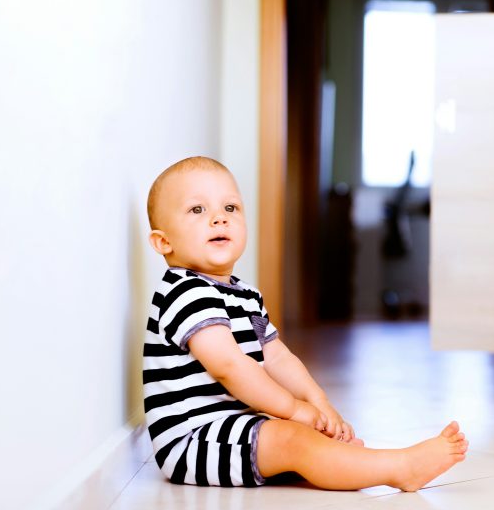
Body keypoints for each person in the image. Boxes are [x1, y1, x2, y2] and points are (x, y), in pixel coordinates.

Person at [143, 156, 467, 490]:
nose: (219, 219)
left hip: (233, 426)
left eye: (231, 208)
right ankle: (397, 468)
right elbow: (229, 366)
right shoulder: (184, 291)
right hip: (192, 441)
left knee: (301, 433)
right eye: (197, 210)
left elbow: (278, 357)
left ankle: (341, 460)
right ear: (163, 242)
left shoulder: (245, 294)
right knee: (292, 438)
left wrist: (319, 404)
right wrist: (293, 409)